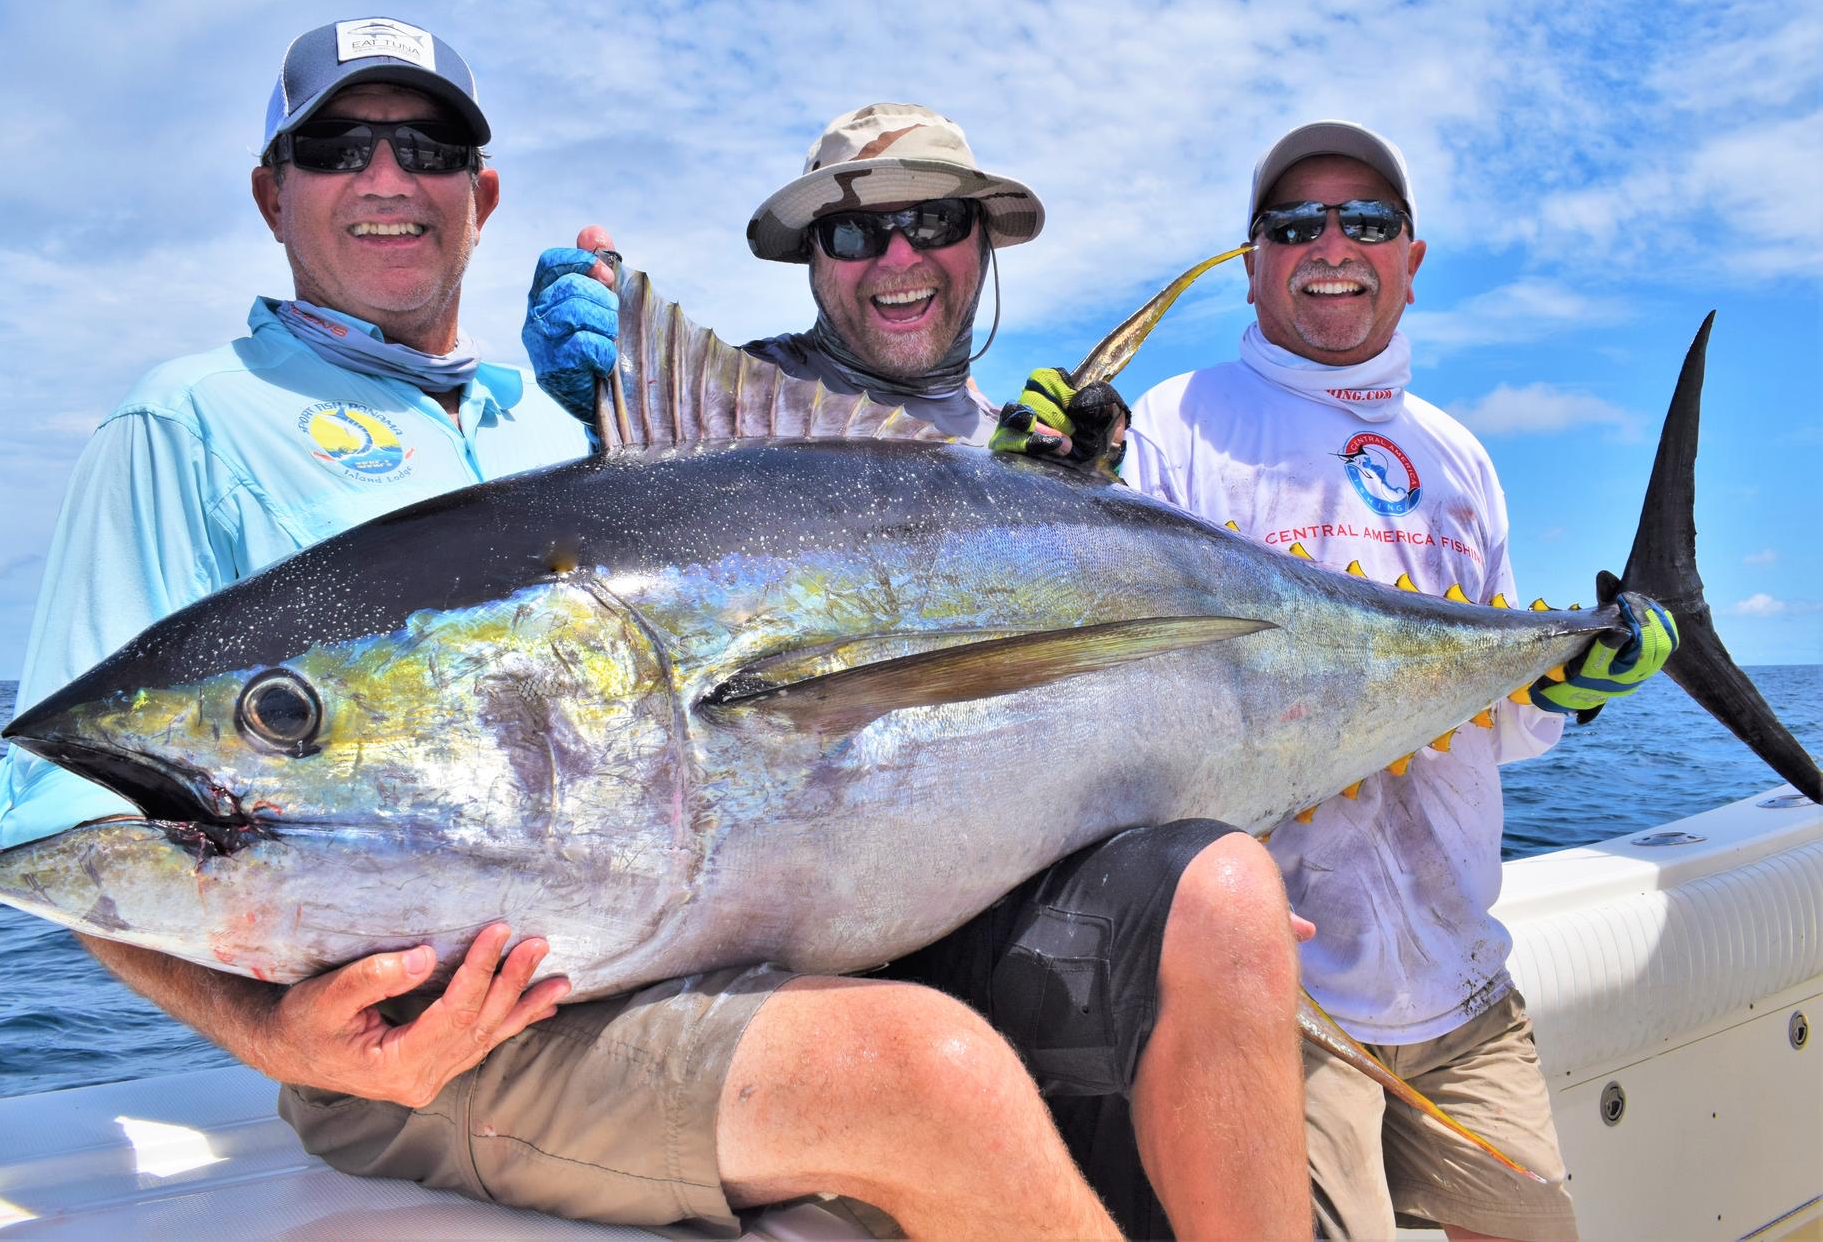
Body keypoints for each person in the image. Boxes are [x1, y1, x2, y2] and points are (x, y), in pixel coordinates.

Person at [519, 102, 1309, 1239]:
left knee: (1221, 907)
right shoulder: (735, 428)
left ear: (979, 241)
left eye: (932, 220)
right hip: (815, 955)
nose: (897, 259)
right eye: (854, 234)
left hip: (1005, 905)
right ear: (814, 264)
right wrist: (615, 415)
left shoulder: (1033, 445)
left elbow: (1141, 694)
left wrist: (1083, 505)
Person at [1002, 120, 1677, 1242]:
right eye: (1294, 222)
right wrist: (1061, 487)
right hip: (1281, 1004)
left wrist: (1561, 690)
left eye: (1366, 221)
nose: (1331, 242)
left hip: (1465, 989)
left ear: (1412, 258)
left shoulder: (1462, 457)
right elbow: (1086, 640)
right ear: (1254, 259)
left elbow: (1490, 725)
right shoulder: (1169, 426)